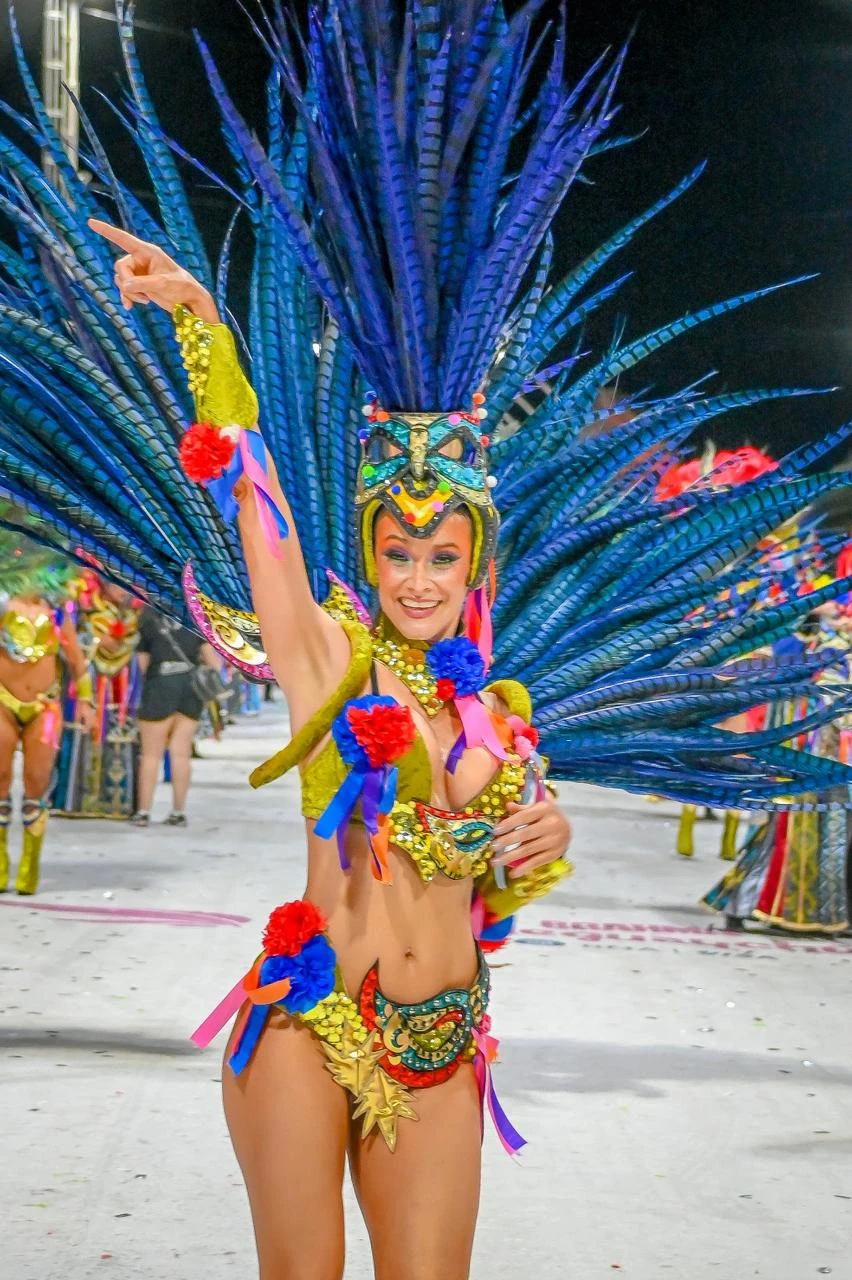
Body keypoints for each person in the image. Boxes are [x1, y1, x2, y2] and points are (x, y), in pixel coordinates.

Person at [4, 6, 852, 1277]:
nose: (412, 574)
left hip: (448, 1036)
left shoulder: (503, 712)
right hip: (310, 1020)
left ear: (476, 562)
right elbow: (261, 502)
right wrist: (199, 322)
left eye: (439, 553)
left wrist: (544, 836)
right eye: (394, 549)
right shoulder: (326, 656)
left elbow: (498, 872)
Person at [0, 536, 95, 893]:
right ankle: (1, 861)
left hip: (45, 706)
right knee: (1, 777)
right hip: (2, 703)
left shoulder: (58, 611)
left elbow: (76, 662)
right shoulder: (2, 604)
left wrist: (86, 703)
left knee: (37, 781)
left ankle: (29, 863)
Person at [53, 574, 142, 819]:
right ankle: (74, 800)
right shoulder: (83, 604)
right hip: (89, 677)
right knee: (81, 730)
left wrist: (122, 644)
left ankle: (116, 802)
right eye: (118, 585)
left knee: (120, 730)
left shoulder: (131, 613)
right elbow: (67, 639)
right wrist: (95, 641)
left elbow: (135, 640)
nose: (124, 592)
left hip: (122, 681)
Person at [132, 605, 220, 827]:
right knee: (180, 753)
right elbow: (213, 662)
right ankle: (178, 811)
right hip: (190, 689)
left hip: (159, 685)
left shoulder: (148, 616)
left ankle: (143, 811)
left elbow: (142, 663)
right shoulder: (194, 615)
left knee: (151, 754)